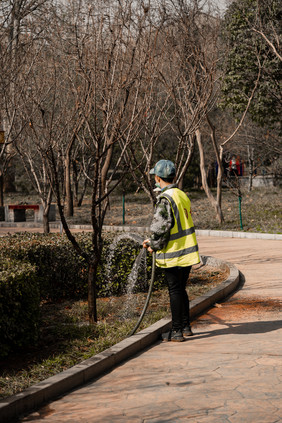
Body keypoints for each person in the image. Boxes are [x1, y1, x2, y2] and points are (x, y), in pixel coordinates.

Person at [143, 160, 200, 342]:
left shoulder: (165, 199)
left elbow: (161, 228)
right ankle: (186, 326)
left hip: (174, 253)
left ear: (158, 178)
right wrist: (153, 241)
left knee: (174, 291)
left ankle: (176, 331)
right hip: (187, 251)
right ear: (174, 176)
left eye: (155, 178)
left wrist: (153, 245)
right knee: (181, 290)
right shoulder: (181, 195)